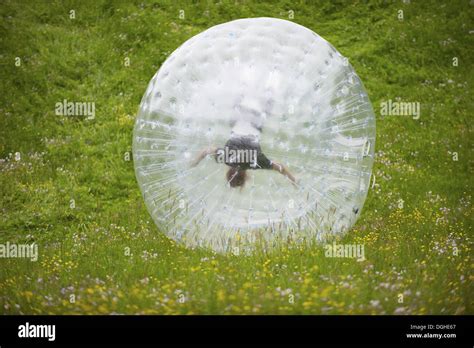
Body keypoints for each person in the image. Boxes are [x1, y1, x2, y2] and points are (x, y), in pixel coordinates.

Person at [191, 122, 296, 189]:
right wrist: (195, 162)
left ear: (246, 176)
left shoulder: (255, 163)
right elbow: (206, 151)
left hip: (255, 123)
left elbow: (279, 167)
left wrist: (293, 180)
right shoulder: (227, 158)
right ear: (228, 172)